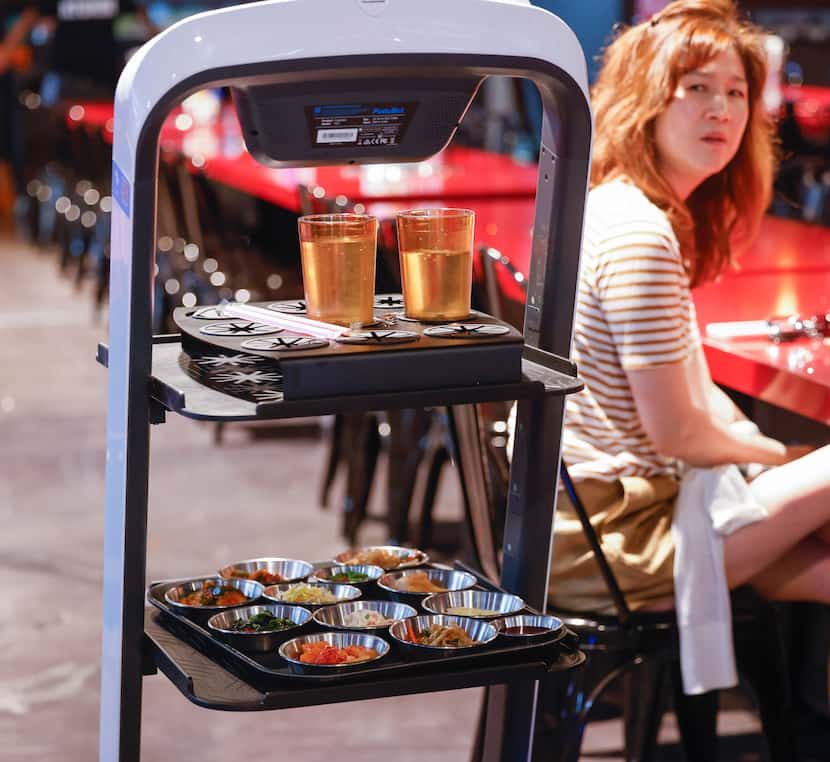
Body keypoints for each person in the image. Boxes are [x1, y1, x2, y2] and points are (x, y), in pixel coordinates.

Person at [550, 0, 830, 622]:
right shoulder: (639, 235)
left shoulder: (613, 204)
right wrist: (783, 461)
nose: (722, 109)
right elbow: (678, 434)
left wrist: (763, 457)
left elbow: (693, 404)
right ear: (645, 100)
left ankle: (804, 710)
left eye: (736, 92)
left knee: (808, 551)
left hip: (580, 522)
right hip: (618, 539)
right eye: (697, 88)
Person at [0, 0, 155, 103]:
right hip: (64, 79)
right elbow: (31, 15)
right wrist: (6, 53)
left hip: (105, 80)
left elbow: (142, 15)